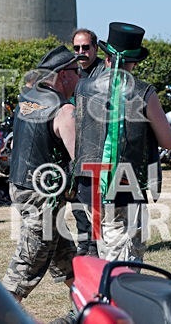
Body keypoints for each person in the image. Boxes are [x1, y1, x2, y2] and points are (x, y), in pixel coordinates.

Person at [74, 22, 171, 262]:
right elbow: (168, 142)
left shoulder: (82, 88)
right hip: (124, 185)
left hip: (88, 185)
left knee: (103, 248)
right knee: (124, 260)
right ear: (135, 62)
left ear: (106, 57)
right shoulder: (143, 92)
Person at [2, 45, 82, 305]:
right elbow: (79, 160)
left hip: (20, 185)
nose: (80, 77)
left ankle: (90, 306)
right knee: (26, 266)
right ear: (63, 74)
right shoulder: (63, 110)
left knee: (67, 259)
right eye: (77, 71)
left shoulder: (27, 100)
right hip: (41, 197)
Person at [69, 28, 105, 256]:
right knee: (79, 205)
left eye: (85, 47)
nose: (81, 52)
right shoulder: (72, 73)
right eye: (77, 48)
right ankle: (85, 246)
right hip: (75, 150)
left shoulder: (104, 74)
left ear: (95, 48)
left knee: (96, 206)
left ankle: (95, 247)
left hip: (97, 150)